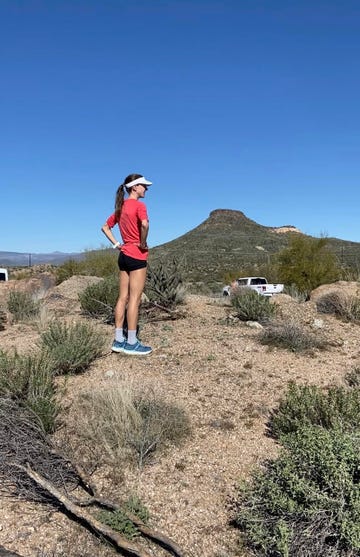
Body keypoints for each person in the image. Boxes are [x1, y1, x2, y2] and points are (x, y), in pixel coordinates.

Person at [101, 173, 153, 356]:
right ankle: (131, 342)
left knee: (122, 297)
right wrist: (143, 242)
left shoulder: (120, 207)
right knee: (135, 299)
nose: (146, 189)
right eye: (143, 186)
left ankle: (118, 340)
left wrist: (117, 245)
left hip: (123, 256)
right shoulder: (140, 206)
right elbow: (145, 225)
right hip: (137, 255)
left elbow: (105, 227)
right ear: (134, 188)